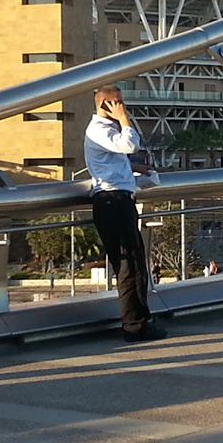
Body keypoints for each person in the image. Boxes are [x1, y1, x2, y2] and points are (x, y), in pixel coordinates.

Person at [83, 86, 164, 342]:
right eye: (117, 102)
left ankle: (140, 320)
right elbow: (130, 145)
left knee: (136, 262)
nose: (122, 106)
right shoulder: (99, 130)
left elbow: (117, 165)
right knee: (128, 264)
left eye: (121, 102)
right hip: (112, 202)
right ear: (103, 105)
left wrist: (137, 170)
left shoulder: (108, 131)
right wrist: (124, 119)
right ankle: (134, 325)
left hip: (119, 200)